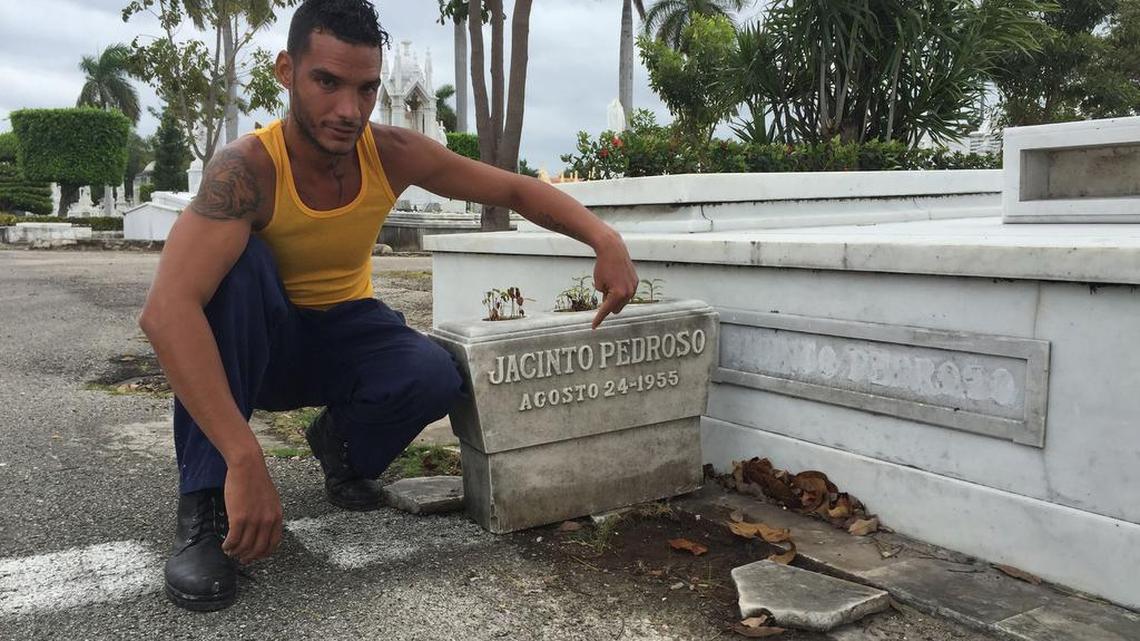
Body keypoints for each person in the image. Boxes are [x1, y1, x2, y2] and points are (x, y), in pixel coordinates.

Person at [139, 0, 638, 612]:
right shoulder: (246, 170)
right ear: (285, 72)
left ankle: (339, 449)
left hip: (341, 332)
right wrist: (245, 454)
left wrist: (604, 239)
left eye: (366, 88)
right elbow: (167, 312)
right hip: (255, 343)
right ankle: (203, 504)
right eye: (327, 82)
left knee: (431, 374)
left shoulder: (390, 152)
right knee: (241, 273)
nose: (349, 110)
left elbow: (510, 187)